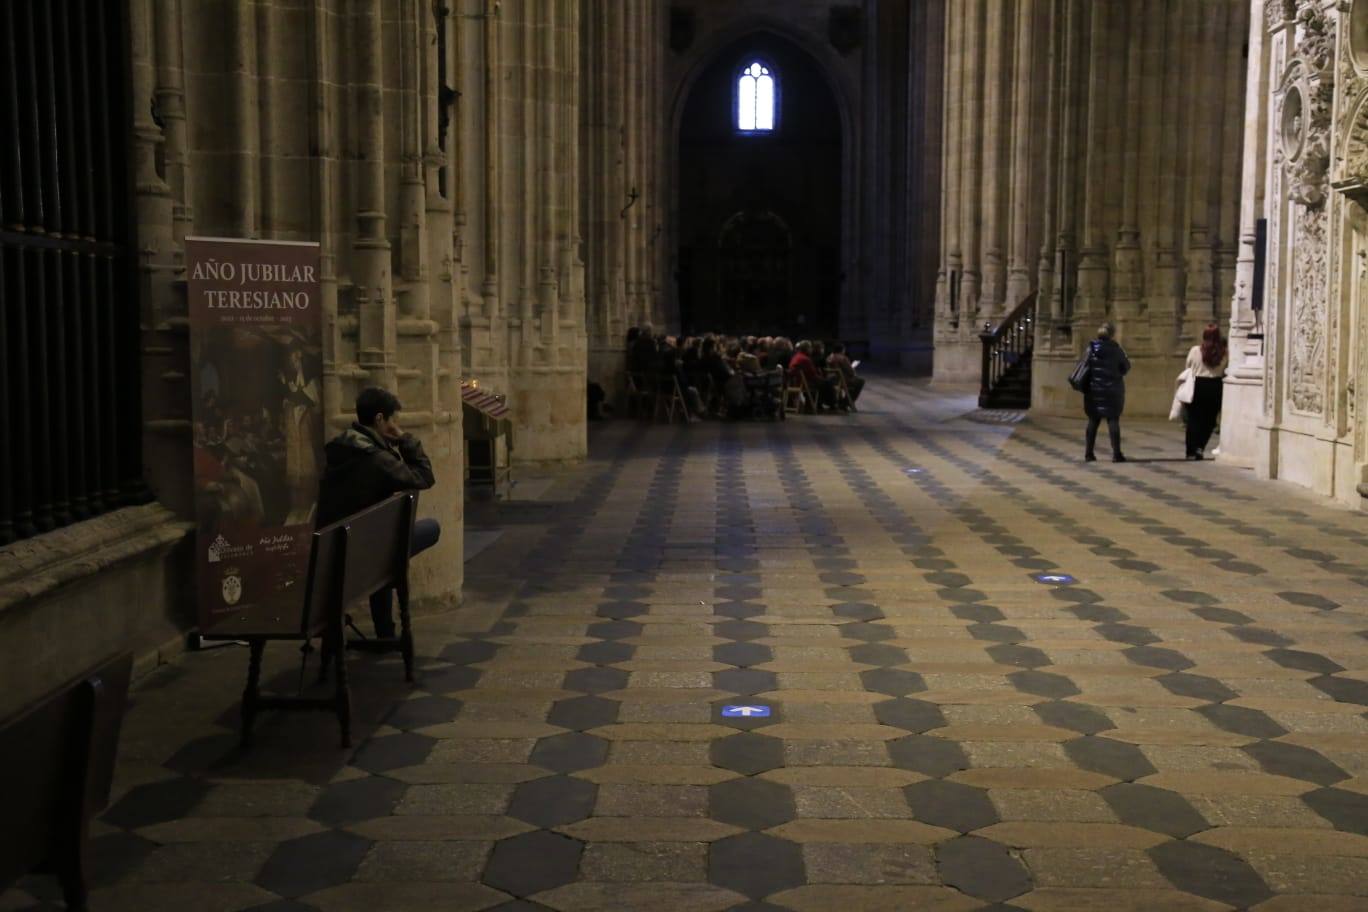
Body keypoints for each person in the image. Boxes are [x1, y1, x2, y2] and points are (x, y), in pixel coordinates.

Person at [317, 387, 439, 639]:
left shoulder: (339, 449)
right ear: (380, 419)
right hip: (367, 556)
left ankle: (385, 629)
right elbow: (424, 477)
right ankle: (385, 631)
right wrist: (405, 439)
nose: (397, 425)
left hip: (337, 552)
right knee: (430, 529)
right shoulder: (375, 458)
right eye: (394, 420)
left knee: (381, 543)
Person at [1082, 323, 1130, 463]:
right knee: (1113, 420)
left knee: (1093, 420)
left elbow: (1084, 367)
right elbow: (1126, 367)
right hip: (1112, 390)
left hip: (1094, 390)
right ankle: (1116, 454)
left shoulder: (1090, 350)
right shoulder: (1117, 350)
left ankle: (1089, 453)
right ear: (1111, 334)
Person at [1184, 324, 1227, 460]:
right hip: (1215, 386)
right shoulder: (1224, 352)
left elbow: (1188, 367)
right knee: (1209, 421)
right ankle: (1200, 447)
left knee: (1193, 420)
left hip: (1198, 385)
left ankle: (1190, 450)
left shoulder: (1195, 350)